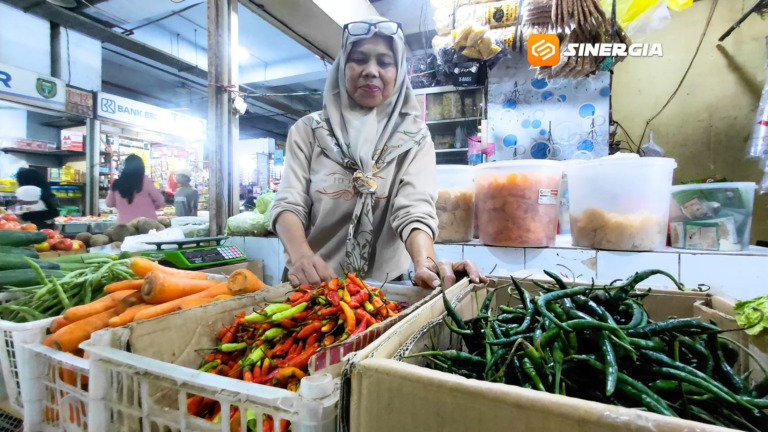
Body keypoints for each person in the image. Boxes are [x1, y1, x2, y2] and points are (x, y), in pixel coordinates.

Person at [271, 18, 486, 289]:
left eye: (384, 62)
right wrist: (301, 256)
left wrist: (426, 263)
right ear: (342, 67)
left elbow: (414, 209)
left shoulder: (414, 138)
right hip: (310, 285)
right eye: (359, 59)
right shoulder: (309, 131)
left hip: (380, 291)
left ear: (398, 73)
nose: (371, 70)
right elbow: (288, 204)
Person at [107, 154, 164, 224]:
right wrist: (150, 207)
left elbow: (109, 203)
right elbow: (161, 201)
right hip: (147, 225)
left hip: (124, 226)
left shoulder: (117, 183)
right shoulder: (146, 182)